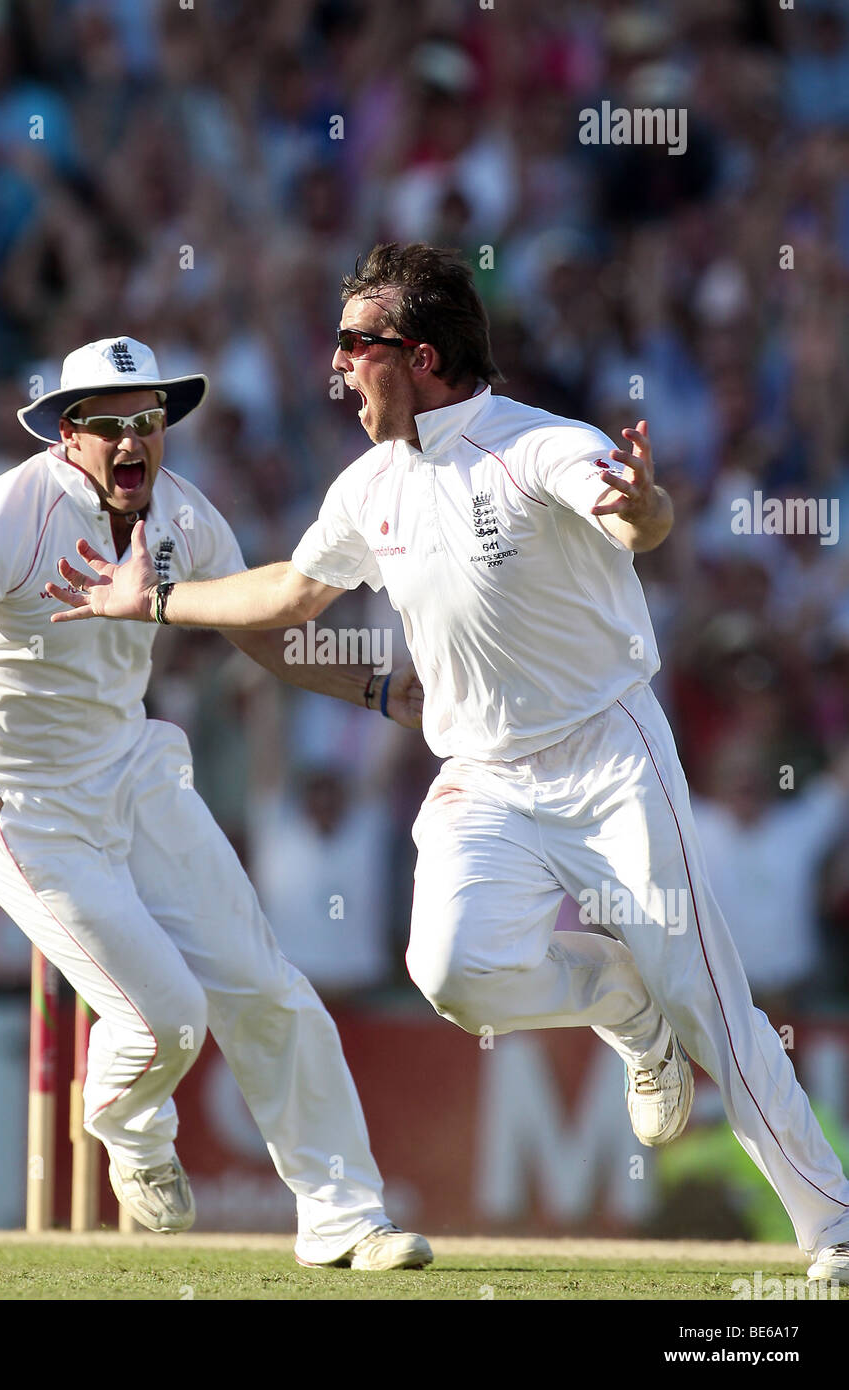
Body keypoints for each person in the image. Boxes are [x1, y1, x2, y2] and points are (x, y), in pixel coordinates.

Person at [46, 247, 849, 1283]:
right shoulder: (367, 485)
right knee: (450, 973)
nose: (335, 368)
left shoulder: (539, 446)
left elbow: (632, 519)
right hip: (482, 774)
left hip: (609, 756)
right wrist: (147, 601)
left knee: (708, 998)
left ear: (418, 356)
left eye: (354, 344)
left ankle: (829, 1227)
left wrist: (642, 506)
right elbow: (288, 592)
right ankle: (621, 1008)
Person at [0, 336, 432, 1271]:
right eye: (110, 426)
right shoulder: (7, 512)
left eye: (150, 421)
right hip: (18, 799)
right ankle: (129, 1129)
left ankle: (344, 1217)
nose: (135, 442)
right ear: (67, 434)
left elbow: (260, 633)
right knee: (166, 1017)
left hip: (133, 768)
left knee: (266, 988)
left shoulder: (183, 513)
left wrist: (376, 689)